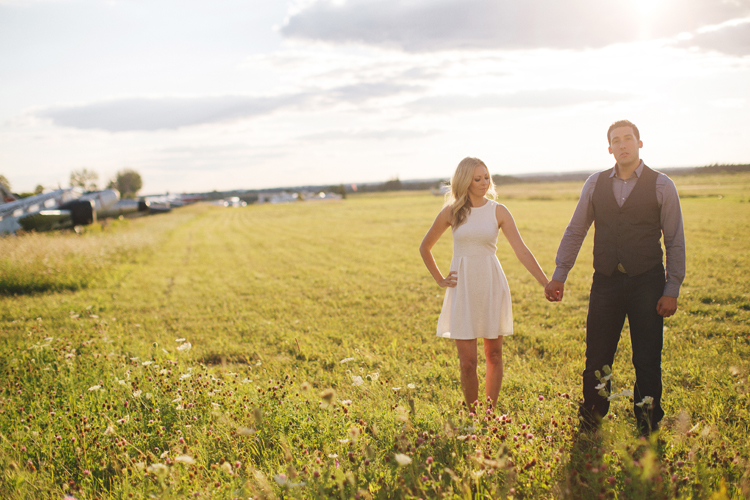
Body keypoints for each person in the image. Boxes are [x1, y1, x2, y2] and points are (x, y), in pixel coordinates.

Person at [544, 120, 686, 436]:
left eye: (628, 139)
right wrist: (559, 275)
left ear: (639, 143)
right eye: (616, 141)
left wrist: (672, 287)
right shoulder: (595, 184)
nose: (622, 145)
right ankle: (592, 417)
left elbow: (674, 239)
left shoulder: (662, 185)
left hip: (647, 282)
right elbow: (576, 230)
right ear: (609, 148)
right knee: (597, 355)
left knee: (647, 357)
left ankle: (647, 421)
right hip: (606, 282)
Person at [420, 157, 550, 409]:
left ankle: (489, 413)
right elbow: (425, 247)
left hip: (491, 284)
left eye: (486, 177)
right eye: (477, 178)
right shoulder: (452, 212)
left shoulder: (498, 211)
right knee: (467, 362)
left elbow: (522, 251)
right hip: (463, 289)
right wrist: (439, 279)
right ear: (465, 181)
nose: (484, 183)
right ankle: (472, 414)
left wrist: (545, 282)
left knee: (494, 355)